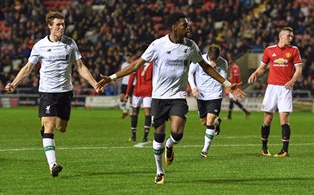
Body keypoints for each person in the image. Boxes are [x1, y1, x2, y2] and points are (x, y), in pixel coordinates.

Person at [96, 13, 245, 184]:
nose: (188, 28)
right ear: (174, 26)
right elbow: (136, 65)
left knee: (177, 133)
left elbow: (205, 68)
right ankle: (160, 172)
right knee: (158, 135)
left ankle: (170, 144)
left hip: (178, 97)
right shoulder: (158, 45)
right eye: (184, 25)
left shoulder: (191, 46)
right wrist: (112, 77)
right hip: (159, 98)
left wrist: (227, 83)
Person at [5, 11, 101, 177]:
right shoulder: (39, 45)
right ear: (50, 26)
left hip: (65, 92)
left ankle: (47, 128)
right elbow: (28, 67)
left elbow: (80, 66)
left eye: (63, 24)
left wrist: (94, 84)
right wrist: (13, 83)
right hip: (47, 92)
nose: (61, 27)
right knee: (49, 126)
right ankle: (53, 165)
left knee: (61, 127)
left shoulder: (70, 44)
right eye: (58, 24)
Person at [248, 26, 302, 157]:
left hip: (285, 88)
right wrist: (255, 73)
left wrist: (292, 80)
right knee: (268, 117)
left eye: (291, 36)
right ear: (281, 36)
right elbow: (262, 68)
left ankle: (285, 150)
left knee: (283, 117)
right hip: (271, 87)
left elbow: (298, 69)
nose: (291, 38)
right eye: (289, 36)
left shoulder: (294, 50)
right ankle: (264, 148)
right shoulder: (269, 50)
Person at [188, 44, 228, 158]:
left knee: (209, 121)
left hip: (215, 95)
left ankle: (205, 150)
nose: (213, 61)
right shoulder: (199, 59)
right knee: (204, 122)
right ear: (208, 55)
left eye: (215, 59)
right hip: (201, 95)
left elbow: (223, 79)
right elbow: (190, 73)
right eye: (211, 59)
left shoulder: (223, 63)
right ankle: (217, 122)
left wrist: (213, 69)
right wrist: (193, 87)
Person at [125, 60, 153, 142]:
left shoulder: (137, 62)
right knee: (147, 112)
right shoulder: (153, 64)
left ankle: (133, 136)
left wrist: (127, 92)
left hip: (137, 90)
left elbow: (131, 78)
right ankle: (145, 137)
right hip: (148, 90)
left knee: (134, 112)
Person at [119, 53, 134, 119]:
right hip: (124, 83)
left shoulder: (133, 64)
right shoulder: (124, 64)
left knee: (130, 99)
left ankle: (131, 113)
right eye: (126, 57)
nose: (127, 59)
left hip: (132, 83)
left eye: (128, 57)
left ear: (131, 58)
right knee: (121, 97)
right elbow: (121, 73)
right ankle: (125, 111)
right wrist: (117, 80)